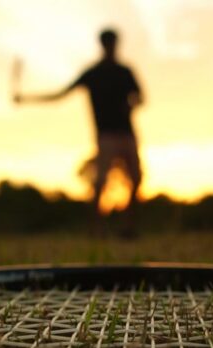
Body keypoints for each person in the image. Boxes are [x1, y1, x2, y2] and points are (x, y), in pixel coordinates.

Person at [14, 28, 143, 236]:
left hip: (127, 133)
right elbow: (60, 94)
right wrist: (27, 98)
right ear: (103, 45)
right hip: (106, 135)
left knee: (136, 179)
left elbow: (140, 97)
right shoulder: (93, 73)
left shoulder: (125, 72)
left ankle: (129, 228)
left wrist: (132, 105)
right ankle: (95, 228)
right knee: (100, 181)